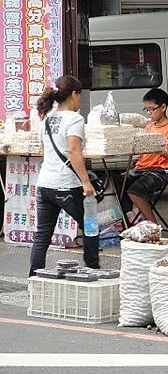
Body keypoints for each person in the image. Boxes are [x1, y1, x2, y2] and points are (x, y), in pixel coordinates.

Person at [29, 75, 100, 276]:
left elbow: (46, 152)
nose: (80, 100)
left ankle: (34, 277)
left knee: (42, 235)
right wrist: (86, 183)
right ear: (74, 94)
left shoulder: (47, 119)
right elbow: (74, 151)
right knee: (90, 226)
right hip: (66, 186)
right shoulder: (75, 119)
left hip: (45, 185)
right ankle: (93, 271)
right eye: (80, 96)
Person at [122, 88, 168, 223]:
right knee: (116, 184)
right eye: (146, 110)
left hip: (160, 170)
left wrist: (159, 150)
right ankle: (130, 220)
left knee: (134, 191)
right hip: (142, 168)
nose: (149, 113)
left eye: (152, 109)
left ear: (163, 107)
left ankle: (153, 225)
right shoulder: (149, 126)